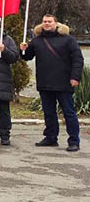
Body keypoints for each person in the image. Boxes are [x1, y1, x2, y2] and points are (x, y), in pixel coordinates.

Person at [20, 14, 84, 152]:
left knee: (69, 113)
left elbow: (78, 59)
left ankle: (74, 141)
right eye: (44, 21)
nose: (47, 23)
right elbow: (27, 57)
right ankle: (50, 137)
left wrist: (75, 77)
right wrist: (23, 50)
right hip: (45, 82)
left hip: (64, 83)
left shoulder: (68, 40)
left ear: (56, 23)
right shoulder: (37, 40)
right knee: (49, 113)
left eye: (49, 21)